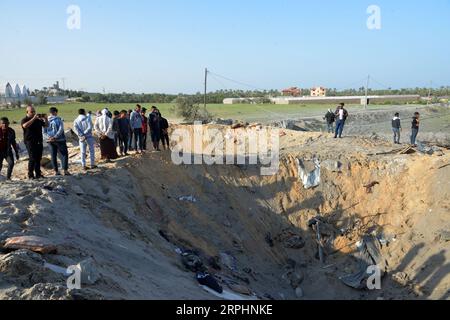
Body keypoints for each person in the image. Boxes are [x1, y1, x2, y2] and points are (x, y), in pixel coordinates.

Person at [21, 105, 48, 180]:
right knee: (32, 158)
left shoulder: (38, 120)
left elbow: (46, 125)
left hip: (39, 141)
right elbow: (25, 126)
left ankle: (38, 174)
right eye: (32, 112)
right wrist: (34, 118)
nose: (33, 113)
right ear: (27, 112)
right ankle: (30, 175)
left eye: (34, 111)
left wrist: (45, 118)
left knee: (38, 158)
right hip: (30, 142)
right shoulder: (25, 119)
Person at [44, 107, 71, 176]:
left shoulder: (46, 120)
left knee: (53, 155)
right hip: (60, 140)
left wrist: (49, 138)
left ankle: (56, 171)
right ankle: (65, 170)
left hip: (50, 141)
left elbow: (43, 132)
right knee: (64, 154)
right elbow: (61, 129)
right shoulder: (59, 119)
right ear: (56, 112)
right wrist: (55, 137)